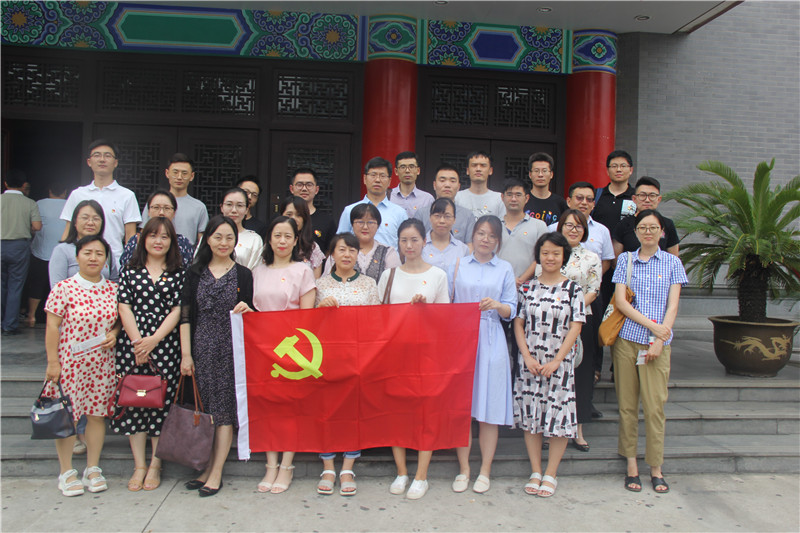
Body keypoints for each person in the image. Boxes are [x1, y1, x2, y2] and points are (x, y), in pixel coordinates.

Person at [611, 209, 687, 495]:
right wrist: (652, 327)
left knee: (655, 408)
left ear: (662, 232)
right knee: (627, 406)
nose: (648, 232)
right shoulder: (626, 260)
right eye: (642, 227)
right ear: (636, 231)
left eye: (653, 227)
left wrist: (659, 337)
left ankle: (655, 466)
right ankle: (631, 463)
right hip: (627, 341)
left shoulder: (672, 263)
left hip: (658, 344)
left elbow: (673, 305)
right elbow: (621, 302)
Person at [180, 215, 254, 497]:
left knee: (224, 412)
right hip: (200, 350)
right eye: (218, 237)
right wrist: (186, 355)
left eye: (229, 237)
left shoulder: (244, 274)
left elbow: (252, 312)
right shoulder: (194, 273)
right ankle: (205, 467)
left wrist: (249, 310)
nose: (224, 242)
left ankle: (216, 472)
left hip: (230, 351)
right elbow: (185, 316)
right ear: (207, 239)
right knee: (204, 409)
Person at [377, 218, 450, 500]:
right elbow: (379, 317)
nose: (409, 245)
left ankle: (421, 475)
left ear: (424, 241)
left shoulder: (437, 275)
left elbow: (445, 320)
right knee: (397, 412)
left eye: (415, 240)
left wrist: (425, 310)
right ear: (398, 243)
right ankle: (401, 472)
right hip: (395, 353)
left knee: (425, 413)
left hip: (427, 355)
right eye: (404, 240)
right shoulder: (389, 275)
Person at [44, 235, 120, 496]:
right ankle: (66, 471)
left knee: (97, 415)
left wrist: (115, 334)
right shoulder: (64, 288)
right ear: (77, 257)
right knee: (68, 417)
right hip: (70, 364)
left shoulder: (113, 290)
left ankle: (93, 468)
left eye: (99, 253)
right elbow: (52, 326)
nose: (93, 258)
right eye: (88, 253)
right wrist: (52, 362)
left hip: (102, 364)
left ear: (106, 259)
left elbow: (117, 321)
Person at [112, 217, 184, 492]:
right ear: (143, 239)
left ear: (171, 241)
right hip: (132, 346)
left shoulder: (178, 272)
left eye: (164, 236)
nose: (158, 241)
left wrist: (154, 340)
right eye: (153, 235)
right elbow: (124, 306)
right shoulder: (130, 270)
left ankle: (155, 464)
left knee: (159, 403)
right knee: (134, 401)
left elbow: (177, 310)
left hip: (165, 346)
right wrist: (137, 343)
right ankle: (139, 465)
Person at [513, 232, 585, 499]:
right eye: (545, 253)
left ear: (563, 256)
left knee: (559, 417)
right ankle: (535, 470)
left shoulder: (573, 289)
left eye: (556, 253)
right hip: (530, 363)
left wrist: (557, 360)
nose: (550, 257)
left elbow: (576, 327)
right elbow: (519, 323)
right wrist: (527, 356)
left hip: (559, 365)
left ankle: (551, 473)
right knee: (531, 416)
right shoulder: (527, 288)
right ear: (538, 255)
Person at [250, 215, 317, 494]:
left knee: (290, 408)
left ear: (295, 240)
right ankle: (270, 464)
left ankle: (286, 465)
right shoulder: (257, 270)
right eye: (277, 235)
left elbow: (307, 317)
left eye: (288, 236)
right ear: (269, 238)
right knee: (266, 407)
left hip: (291, 349)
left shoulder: (303, 270)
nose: (282, 241)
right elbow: (254, 310)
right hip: (261, 349)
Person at [450, 216, 517, 495]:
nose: (485, 239)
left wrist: (498, 306)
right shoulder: (459, 264)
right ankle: (464, 469)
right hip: (462, 339)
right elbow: (449, 301)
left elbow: (512, 309)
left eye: (491, 235)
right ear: (473, 236)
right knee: (463, 408)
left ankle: (485, 470)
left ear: (498, 241)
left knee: (489, 408)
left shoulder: (504, 268)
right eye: (480, 233)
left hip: (491, 338)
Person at [315, 232, 380, 497]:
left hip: (357, 357)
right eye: (341, 249)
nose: (347, 254)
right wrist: (320, 309)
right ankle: (328, 466)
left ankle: (348, 467)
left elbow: (376, 322)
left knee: (354, 412)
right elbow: (306, 325)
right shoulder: (319, 284)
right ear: (331, 254)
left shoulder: (369, 284)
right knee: (326, 411)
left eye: (352, 250)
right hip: (326, 358)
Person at [537, 210, 601, 452]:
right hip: (549, 322)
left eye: (578, 226)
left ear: (584, 231)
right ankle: (548, 428)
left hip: (581, 321)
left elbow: (593, 290)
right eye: (569, 225)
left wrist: (571, 308)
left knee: (580, 375)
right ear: (560, 227)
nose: (573, 230)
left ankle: (578, 428)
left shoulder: (591, 257)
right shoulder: (550, 253)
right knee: (551, 373)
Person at [60, 139, 141, 271]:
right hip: (80, 263)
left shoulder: (127, 196)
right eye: (97, 155)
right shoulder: (77, 194)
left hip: (114, 263)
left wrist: (130, 266)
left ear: (115, 163)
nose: (102, 159)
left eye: (107, 156)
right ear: (89, 162)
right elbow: (68, 232)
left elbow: (130, 237)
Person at [2, 169, 42, 335]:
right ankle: (9, 325)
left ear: (5, 183)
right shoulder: (30, 203)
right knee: (15, 286)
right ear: (23, 184)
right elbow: (37, 226)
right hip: (19, 247)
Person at [337, 157, 409, 248]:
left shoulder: (400, 213)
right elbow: (340, 243)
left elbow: (406, 246)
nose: (377, 180)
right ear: (364, 179)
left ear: (389, 181)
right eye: (373, 175)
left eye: (382, 176)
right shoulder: (349, 210)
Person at [140, 154, 208, 247]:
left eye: (184, 173)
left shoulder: (199, 207)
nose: (179, 177)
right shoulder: (154, 203)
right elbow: (143, 233)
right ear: (167, 173)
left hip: (186, 254)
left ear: (192, 176)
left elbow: (202, 242)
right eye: (175, 172)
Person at [323, 203, 401, 282]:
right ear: (352, 224)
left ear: (378, 225)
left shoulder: (388, 252)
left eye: (370, 222)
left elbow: (395, 282)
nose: (365, 227)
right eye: (360, 222)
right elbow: (326, 281)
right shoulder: (340, 251)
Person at [25, 183, 67, 327]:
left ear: (49, 191)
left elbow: (33, 225)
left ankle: (31, 316)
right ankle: (60, 317)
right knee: (60, 286)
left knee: (36, 283)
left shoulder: (39, 204)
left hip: (40, 251)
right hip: (61, 252)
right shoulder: (69, 205)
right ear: (65, 192)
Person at [50, 200, 117, 287]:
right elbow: (57, 287)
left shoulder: (106, 249)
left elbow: (114, 283)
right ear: (75, 222)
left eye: (96, 219)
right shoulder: (62, 250)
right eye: (85, 218)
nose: (90, 223)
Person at [120, 190, 194, 270]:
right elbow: (125, 268)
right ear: (148, 211)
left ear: (174, 213)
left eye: (167, 208)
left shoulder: (183, 243)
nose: (161, 212)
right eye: (156, 207)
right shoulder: (135, 241)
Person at [496, 178, 547, 286]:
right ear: (502, 197)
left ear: (527, 198)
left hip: (529, 287)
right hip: (497, 284)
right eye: (509, 194)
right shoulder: (493, 225)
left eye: (518, 195)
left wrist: (521, 280)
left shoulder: (539, 226)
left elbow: (541, 256)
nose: (513, 199)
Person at [612, 176, 680, 257]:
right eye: (642, 195)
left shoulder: (667, 224)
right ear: (634, 199)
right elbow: (617, 259)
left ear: (659, 199)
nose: (647, 200)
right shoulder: (623, 224)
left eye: (652, 195)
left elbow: (674, 257)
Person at [414, 163, 475, 244]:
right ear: (434, 185)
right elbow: (415, 243)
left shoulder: (467, 216)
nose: (447, 185)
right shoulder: (421, 214)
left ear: (458, 187)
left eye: (452, 181)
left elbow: (470, 245)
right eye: (442, 180)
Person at [289, 168, 336, 254]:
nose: (304, 189)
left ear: (316, 190)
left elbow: (330, 252)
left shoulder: (326, 221)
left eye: (309, 185)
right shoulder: (282, 217)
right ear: (291, 189)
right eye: (299, 184)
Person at [217, 187, 263, 271]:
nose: (234, 210)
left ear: (246, 210)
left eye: (239, 205)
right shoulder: (211, 235)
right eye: (229, 204)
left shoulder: (254, 239)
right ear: (221, 207)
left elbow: (255, 271)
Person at [279, 196, 325, 278]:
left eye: (299, 215)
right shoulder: (273, 243)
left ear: (305, 218)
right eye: (289, 214)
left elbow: (315, 282)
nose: (293, 219)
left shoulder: (312, 248)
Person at [421, 198, 470, 272]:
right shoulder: (419, 246)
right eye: (437, 216)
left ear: (454, 219)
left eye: (447, 216)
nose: (442, 221)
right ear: (430, 218)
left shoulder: (463, 249)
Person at [454, 151, 505, 219]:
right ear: (468, 170)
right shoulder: (457, 197)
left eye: (483, 165)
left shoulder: (500, 199)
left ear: (490, 170)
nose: (478, 169)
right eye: (474, 165)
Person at [523, 153, 568, 225]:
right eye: (536, 171)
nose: (540, 175)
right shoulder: (523, 200)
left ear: (551, 174)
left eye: (544, 171)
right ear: (530, 174)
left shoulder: (560, 203)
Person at [389, 151, 435, 217]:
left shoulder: (427, 199)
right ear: (396, 171)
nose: (407, 171)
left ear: (418, 171)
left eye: (411, 166)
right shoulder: (387, 196)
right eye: (403, 167)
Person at [236, 176, 269, 241]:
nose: (249, 197)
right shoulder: (221, 222)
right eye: (246, 192)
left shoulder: (261, 228)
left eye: (254, 195)